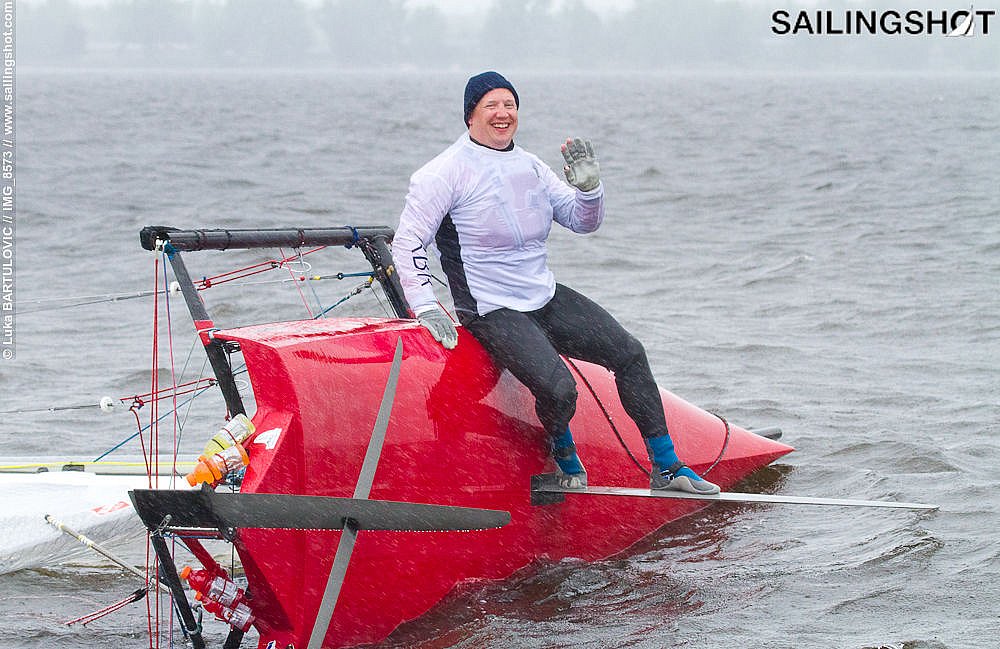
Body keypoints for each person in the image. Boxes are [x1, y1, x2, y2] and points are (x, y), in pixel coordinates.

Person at [393, 71, 719, 495]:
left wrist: (590, 190)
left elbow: (582, 222)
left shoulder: (530, 165)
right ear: (470, 114)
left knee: (630, 354)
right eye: (491, 105)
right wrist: (426, 305)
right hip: (491, 308)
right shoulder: (443, 173)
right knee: (560, 388)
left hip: (543, 296)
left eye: (509, 104)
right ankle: (564, 454)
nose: (502, 113)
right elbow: (408, 242)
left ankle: (668, 468)